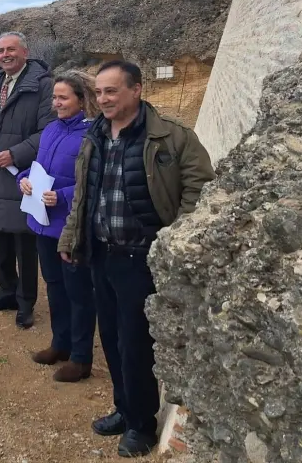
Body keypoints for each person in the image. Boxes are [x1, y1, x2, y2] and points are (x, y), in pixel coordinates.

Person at [59, 60, 214, 457]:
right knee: (110, 338)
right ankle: (125, 409)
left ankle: (142, 426)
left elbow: (201, 188)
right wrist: (72, 236)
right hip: (101, 255)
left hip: (141, 259)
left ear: (136, 90)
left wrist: (175, 241)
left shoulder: (172, 138)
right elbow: (83, 194)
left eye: (111, 91)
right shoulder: (95, 135)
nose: (103, 99)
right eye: (99, 92)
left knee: (135, 343)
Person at [0, 31, 55, 329]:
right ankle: (6, 292)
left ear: (25, 52)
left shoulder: (43, 86)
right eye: (1, 50)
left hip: (22, 175)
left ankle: (26, 301)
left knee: (23, 241)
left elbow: (47, 131)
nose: (5, 55)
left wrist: (15, 154)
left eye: (11, 50)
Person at [17, 71, 99, 382]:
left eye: (63, 98)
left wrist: (62, 196)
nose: (56, 103)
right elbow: (38, 167)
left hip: (70, 227)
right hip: (41, 222)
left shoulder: (92, 135)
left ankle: (81, 358)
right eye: (55, 97)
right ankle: (59, 344)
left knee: (78, 292)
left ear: (82, 100)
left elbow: (93, 181)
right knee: (53, 287)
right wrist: (22, 179)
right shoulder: (51, 130)